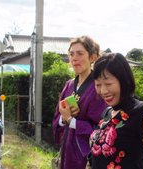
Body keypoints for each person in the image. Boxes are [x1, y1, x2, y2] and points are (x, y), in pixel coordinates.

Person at [90, 53, 143, 169]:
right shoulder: (107, 113)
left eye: (108, 84)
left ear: (124, 81)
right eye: (98, 84)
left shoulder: (141, 111)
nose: (103, 91)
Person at [52, 36, 107, 169]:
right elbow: (56, 119)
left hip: (86, 157)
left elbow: (103, 129)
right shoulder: (69, 85)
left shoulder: (99, 87)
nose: (74, 58)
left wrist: (71, 121)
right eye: (71, 54)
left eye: (80, 53)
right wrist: (63, 119)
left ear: (92, 57)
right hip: (67, 150)